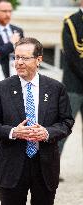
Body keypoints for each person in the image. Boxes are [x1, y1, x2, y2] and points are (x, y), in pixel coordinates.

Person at [0, 37, 74, 205]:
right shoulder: (2, 88)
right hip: (12, 166)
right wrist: (13, 132)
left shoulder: (56, 88)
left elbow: (66, 122)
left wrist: (48, 132)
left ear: (39, 60)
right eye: (16, 57)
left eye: (24, 58)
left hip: (45, 166)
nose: (18, 62)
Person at [59, 0, 83, 156]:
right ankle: (50, 169)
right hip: (74, 85)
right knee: (63, 129)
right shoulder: (71, 22)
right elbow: (72, 56)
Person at [0, 0, 24, 77]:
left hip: (17, 76)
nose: (8, 14)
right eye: (4, 11)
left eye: (10, 11)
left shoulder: (18, 31)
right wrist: (11, 44)